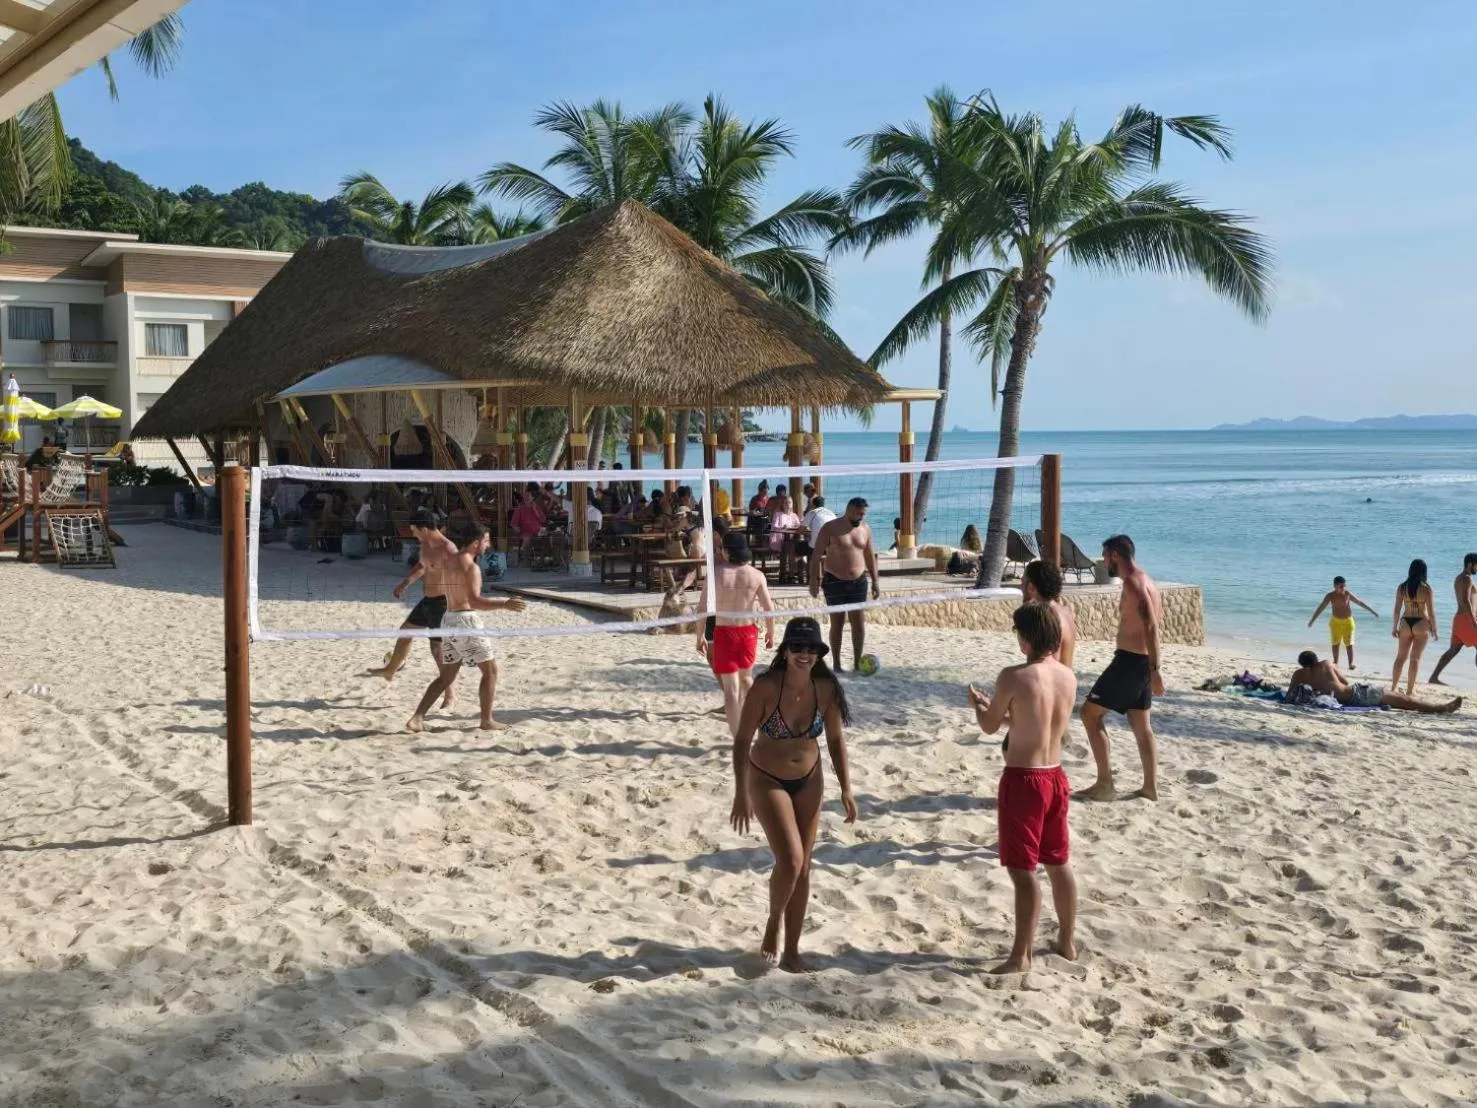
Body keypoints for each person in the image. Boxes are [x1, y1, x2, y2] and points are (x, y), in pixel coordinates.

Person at [730, 617, 857, 971]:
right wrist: (741, 793)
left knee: (804, 870)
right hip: (766, 777)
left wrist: (846, 787)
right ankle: (773, 923)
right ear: (785, 651)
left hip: (810, 777)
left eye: (811, 648)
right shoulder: (766, 686)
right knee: (791, 860)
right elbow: (742, 741)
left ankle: (792, 952)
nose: (804, 654)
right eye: (797, 647)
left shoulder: (826, 688)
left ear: (819, 653)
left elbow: (834, 739)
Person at [968, 602, 1078, 972]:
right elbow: (1034, 720)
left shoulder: (1013, 676)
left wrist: (979, 706)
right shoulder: (1067, 676)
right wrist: (1002, 713)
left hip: (1023, 779)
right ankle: (1067, 940)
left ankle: (1021, 955)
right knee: (1058, 863)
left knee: (1023, 870)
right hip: (1056, 775)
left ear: (1026, 638)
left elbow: (989, 725)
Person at [407, 524, 527, 733]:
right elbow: (475, 601)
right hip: (466, 622)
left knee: (447, 676)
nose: (488, 545)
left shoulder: (449, 560)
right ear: (476, 542)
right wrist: (504, 604)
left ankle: (417, 718)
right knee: (490, 672)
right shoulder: (471, 567)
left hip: (449, 619)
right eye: (487, 541)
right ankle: (486, 720)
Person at [1079, 535, 1162, 801]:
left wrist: (1156, 669)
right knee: (1141, 725)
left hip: (1129, 662)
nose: (1103, 561)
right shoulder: (1147, 580)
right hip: (1139, 663)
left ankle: (1105, 783)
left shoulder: (1134, 583)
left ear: (1115, 555)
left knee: (1089, 715)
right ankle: (1150, 787)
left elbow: (1150, 626)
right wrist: (1151, 667)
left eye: (1104, 555)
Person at [366, 510, 457, 703]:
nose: (413, 534)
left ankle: (450, 693)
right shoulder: (426, 544)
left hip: (444, 603)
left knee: (436, 649)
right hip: (428, 601)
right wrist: (405, 584)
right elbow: (422, 567)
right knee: (405, 632)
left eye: (415, 530)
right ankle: (390, 670)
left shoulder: (448, 549)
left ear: (424, 529)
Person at [698, 531, 776, 736]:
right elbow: (769, 608)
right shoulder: (756, 575)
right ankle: (760, 724)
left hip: (724, 631)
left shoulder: (715, 575)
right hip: (748, 632)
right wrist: (770, 632)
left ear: (726, 551)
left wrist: (700, 636)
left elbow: (702, 609)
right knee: (746, 679)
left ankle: (739, 736)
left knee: (731, 690)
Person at [808, 497, 881, 671]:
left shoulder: (865, 529)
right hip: (834, 580)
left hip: (859, 581)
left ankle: (856, 663)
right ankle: (837, 664)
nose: (861, 517)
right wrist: (813, 580)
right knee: (837, 623)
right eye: (858, 514)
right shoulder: (830, 528)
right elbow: (816, 555)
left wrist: (875, 581)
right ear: (849, 510)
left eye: (863, 514)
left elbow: (870, 557)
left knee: (858, 622)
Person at [1291, 650, 1460, 714]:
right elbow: (1344, 680)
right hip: (1355, 694)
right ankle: (1440, 708)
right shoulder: (1326, 664)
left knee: (1399, 701)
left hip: (1340, 699)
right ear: (1316, 659)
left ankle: (1436, 707)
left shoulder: (1298, 675)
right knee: (1403, 699)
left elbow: (1290, 695)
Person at [1306, 576, 1379, 669]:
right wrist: (1312, 620)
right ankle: (1335, 662)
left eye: (1344, 586)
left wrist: (1372, 611)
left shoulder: (1347, 594)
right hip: (1335, 622)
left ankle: (1350, 664)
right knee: (1335, 644)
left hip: (1348, 622)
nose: (1343, 588)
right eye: (1341, 586)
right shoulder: (1330, 596)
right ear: (1335, 586)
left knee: (1349, 645)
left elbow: (1359, 602)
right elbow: (1321, 607)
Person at [1391, 559, 1437, 695]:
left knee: (1400, 657)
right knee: (1415, 658)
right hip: (1421, 623)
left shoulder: (1401, 587)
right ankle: (1410, 691)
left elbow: (1396, 610)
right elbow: (1432, 612)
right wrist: (1435, 628)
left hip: (1405, 622)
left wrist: (1394, 627)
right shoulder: (1426, 588)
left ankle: (1393, 688)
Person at [1430, 554, 1477, 685]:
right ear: (1470, 564)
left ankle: (1434, 677)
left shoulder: (1458, 578)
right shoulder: (1467, 578)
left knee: (1453, 650)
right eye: (1476, 565)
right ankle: (1433, 677)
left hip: (1459, 620)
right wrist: (1473, 621)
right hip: (1467, 619)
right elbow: (1466, 601)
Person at [1021, 559, 1076, 669]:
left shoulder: (1045, 616)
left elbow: (1041, 659)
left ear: (1031, 587)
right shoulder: (1066, 612)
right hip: (1067, 680)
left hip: (1050, 681)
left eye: (1022, 582)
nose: (1021, 586)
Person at [799, 494, 835, 561]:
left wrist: (808, 534)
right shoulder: (831, 513)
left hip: (817, 546)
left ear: (813, 505)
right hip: (831, 545)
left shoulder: (811, 513)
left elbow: (800, 531)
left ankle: (809, 568)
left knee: (798, 546)